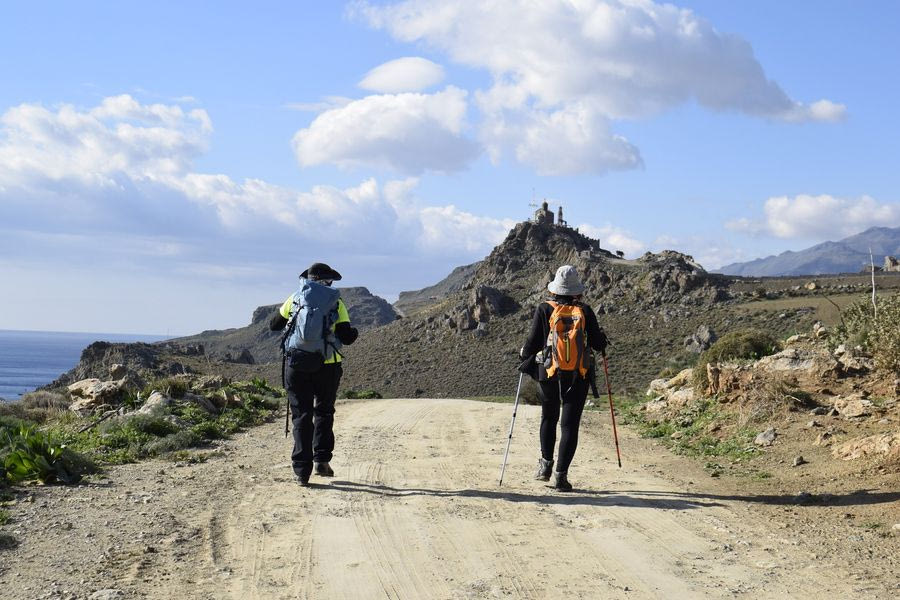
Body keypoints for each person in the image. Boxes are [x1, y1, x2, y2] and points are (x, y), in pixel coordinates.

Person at [519, 265, 607, 491]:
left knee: (549, 417)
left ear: (555, 289)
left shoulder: (544, 309)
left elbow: (532, 344)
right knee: (569, 425)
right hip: (578, 375)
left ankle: (545, 465)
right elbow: (598, 344)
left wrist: (524, 356)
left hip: (548, 373)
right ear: (577, 290)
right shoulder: (585, 311)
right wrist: (602, 338)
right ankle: (561, 476)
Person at [270, 262, 359, 486]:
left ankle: (301, 471)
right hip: (327, 365)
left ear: (308, 279)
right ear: (328, 281)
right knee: (324, 412)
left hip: (297, 364)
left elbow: (274, 325)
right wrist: (354, 332)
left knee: (301, 416)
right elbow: (346, 337)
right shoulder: (336, 302)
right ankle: (321, 461)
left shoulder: (296, 297)